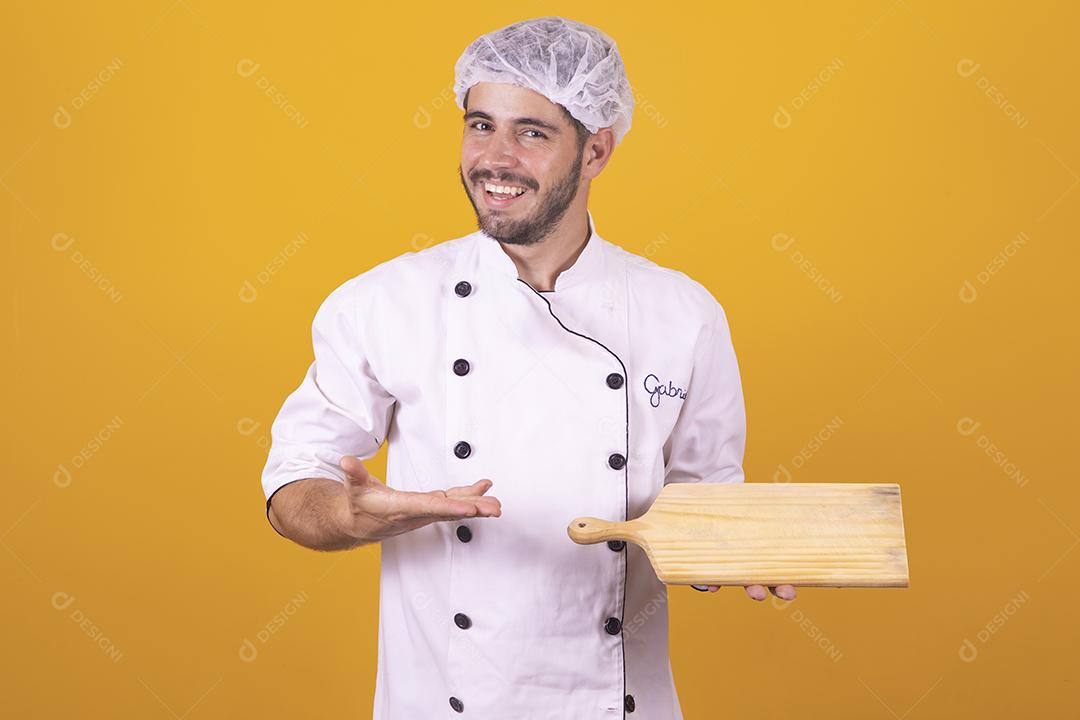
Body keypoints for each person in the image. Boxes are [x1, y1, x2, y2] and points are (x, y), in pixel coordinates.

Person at [261, 15, 796, 719]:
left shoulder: (683, 314)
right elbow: (294, 485)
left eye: (532, 133)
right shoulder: (383, 303)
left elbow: (706, 505)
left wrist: (737, 553)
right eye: (479, 125)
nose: (495, 157)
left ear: (596, 151)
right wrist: (352, 516)